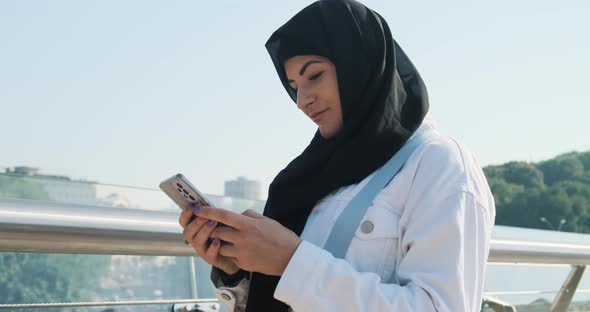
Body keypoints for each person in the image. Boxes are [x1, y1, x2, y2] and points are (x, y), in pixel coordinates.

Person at [178, 0, 496, 311]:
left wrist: (291, 261)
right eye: (293, 86)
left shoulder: (439, 164)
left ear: (360, 64)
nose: (302, 100)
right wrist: (237, 272)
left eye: (314, 75)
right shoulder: (311, 176)